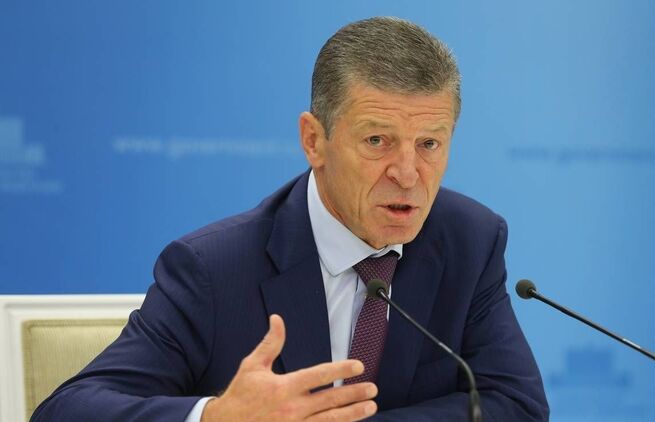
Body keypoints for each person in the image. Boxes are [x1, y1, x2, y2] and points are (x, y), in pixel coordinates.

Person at [32, 17, 549, 421]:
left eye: (430, 144)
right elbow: (66, 410)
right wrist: (215, 417)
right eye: (377, 140)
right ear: (314, 141)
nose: (409, 174)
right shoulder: (214, 269)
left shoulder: (469, 240)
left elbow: (516, 404)